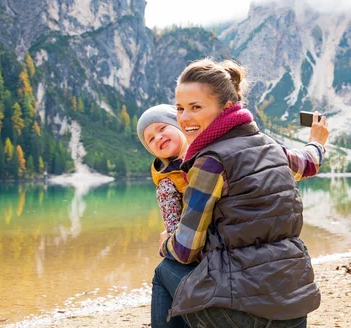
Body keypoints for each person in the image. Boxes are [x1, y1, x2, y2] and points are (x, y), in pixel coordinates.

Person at [151, 58, 329, 328]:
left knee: (166, 270)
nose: (184, 117)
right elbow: (307, 162)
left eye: (196, 107)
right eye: (179, 108)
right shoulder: (270, 147)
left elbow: (186, 249)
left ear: (226, 107)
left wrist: (165, 241)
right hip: (295, 305)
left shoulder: (210, 163)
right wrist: (317, 141)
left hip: (246, 313)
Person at [137, 104, 189, 236]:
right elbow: (173, 231)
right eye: (151, 139)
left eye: (162, 128)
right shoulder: (167, 184)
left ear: (178, 125)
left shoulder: (208, 152)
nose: (158, 137)